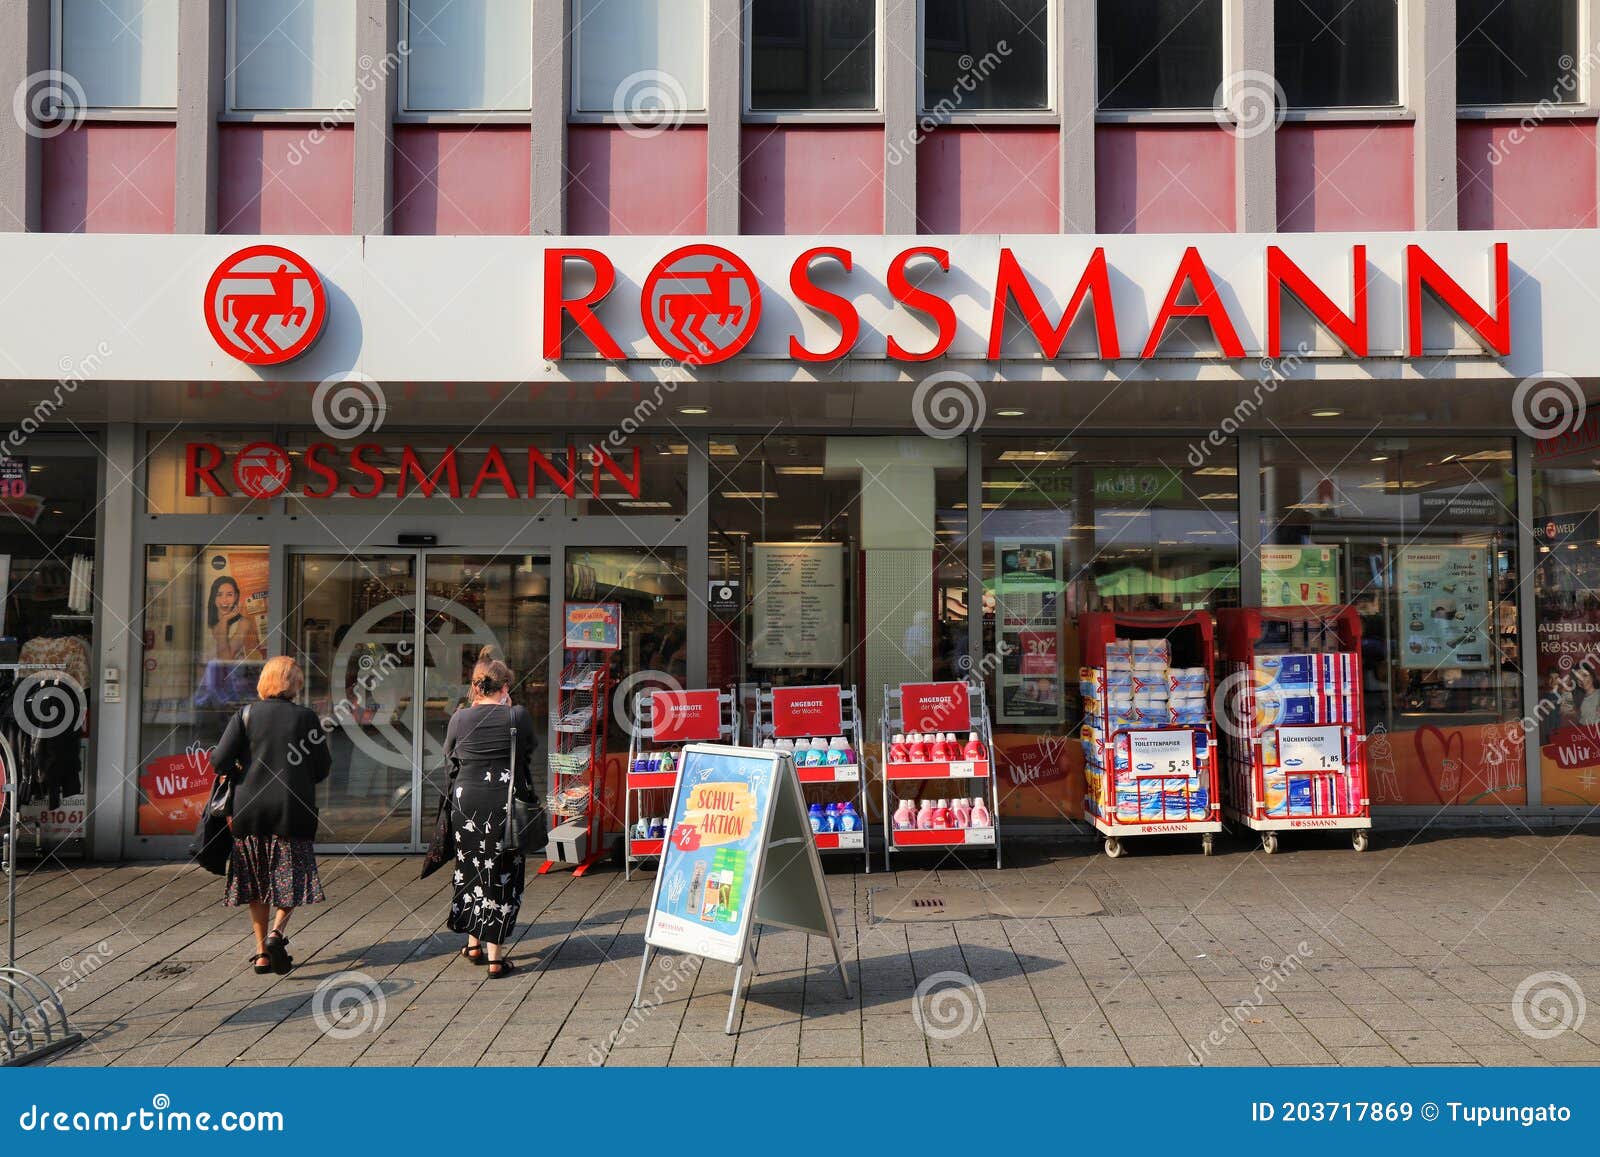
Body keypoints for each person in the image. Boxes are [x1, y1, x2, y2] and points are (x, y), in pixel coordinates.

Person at [209, 656, 331, 975]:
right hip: (293, 810)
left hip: (249, 810)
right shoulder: (306, 718)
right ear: (294, 683)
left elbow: (219, 759)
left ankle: (262, 952)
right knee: (291, 878)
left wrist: (241, 770)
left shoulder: (245, 715)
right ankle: (278, 933)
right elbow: (322, 768)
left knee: (256, 881)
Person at [442, 658, 538, 979]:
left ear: (474, 687)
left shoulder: (459, 718)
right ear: (506, 687)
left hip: (465, 800)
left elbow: (449, 758)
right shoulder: (517, 715)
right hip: (503, 802)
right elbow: (529, 750)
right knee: (501, 871)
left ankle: (473, 944)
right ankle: (495, 958)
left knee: (470, 867)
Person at [208, 575, 263, 661]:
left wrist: (224, 620)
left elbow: (224, 659)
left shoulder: (243, 623)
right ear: (213, 597)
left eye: (229, 595)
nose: (224, 600)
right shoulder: (206, 622)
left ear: (236, 596)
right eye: (219, 595)